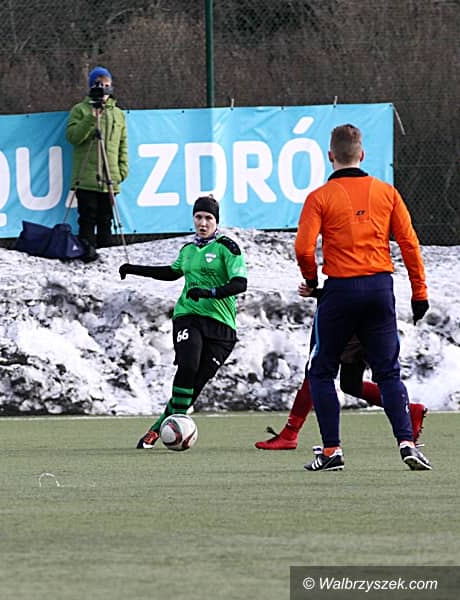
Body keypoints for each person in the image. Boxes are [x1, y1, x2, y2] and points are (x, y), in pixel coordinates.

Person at [295, 123, 430, 472]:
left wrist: (311, 281)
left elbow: (304, 248)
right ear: (362, 154)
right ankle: (407, 442)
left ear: (330, 156)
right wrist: (419, 292)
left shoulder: (320, 197)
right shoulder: (386, 193)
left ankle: (331, 450)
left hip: (340, 292)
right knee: (388, 373)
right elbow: (409, 244)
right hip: (380, 290)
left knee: (321, 371)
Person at [119, 196, 248, 448]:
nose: (203, 223)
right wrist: (134, 268)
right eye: (198, 217)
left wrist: (209, 293)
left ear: (217, 221)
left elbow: (240, 284)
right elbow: (171, 272)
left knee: (195, 385)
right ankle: (175, 429)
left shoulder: (228, 248)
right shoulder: (188, 250)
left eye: (208, 218)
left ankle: (158, 428)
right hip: (188, 316)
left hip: (221, 326)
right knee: (188, 366)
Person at [255, 283, 427, 450]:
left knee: (317, 371)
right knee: (352, 383)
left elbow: (345, 275)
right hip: (375, 304)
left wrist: (314, 285)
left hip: (341, 308)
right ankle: (409, 412)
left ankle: (291, 434)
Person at [66, 66, 128, 258]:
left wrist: (122, 170)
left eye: (107, 85)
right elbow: (73, 137)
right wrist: (91, 119)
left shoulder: (118, 114)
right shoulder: (80, 110)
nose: (104, 90)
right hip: (86, 178)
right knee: (87, 218)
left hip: (110, 177)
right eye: (99, 85)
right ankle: (85, 255)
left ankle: (106, 256)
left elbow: (123, 144)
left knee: (105, 219)